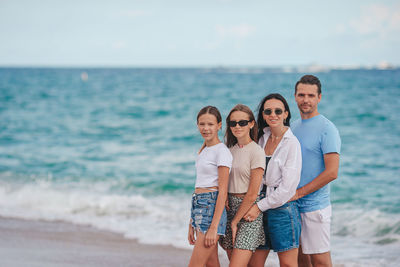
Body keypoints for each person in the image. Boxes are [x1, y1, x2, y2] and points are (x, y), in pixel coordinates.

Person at [244, 93, 302, 267]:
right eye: (268, 111)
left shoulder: (292, 143)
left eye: (278, 111)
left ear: (286, 114)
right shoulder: (261, 138)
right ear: (262, 115)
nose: (273, 115)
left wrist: (258, 207)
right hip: (258, 207)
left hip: (282, 210)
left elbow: (287, 189)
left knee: (288, 265)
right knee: (254, 264)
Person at [290, 75, 341, 267]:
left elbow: (332, 172)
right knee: (300, 259)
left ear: (319, 97)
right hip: (292, 206)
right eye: (301, 95)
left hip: (315, 207)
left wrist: (300, 193)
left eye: (311, 95)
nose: (305, 100)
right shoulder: (293, 127)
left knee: (320, 262)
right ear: (294, 96)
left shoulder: (328, 129)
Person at [219, 104, 266, 267]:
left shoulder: (257, 151)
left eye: (242, 122)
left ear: (251, 124)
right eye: (233, 123)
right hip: (228, 209)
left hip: (248, 213)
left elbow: (253, 193)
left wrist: (235, 222)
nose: (237, 126)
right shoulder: (227, 151)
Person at [188, 106, 233, 267]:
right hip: (200, 207)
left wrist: (214, 227)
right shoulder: (204, 150)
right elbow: (199, 185)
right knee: (211, 264)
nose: (206, 128)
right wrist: (192, 222)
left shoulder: (222, 152)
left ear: (219, 125)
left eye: (210, 124)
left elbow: (222, 191)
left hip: (211, 209)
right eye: (202, 124)